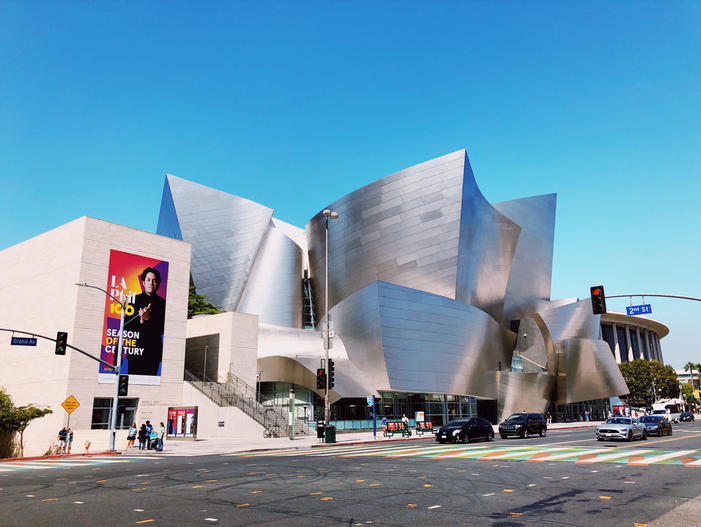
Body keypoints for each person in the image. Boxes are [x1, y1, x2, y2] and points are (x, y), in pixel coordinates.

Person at [128, 267, 166, 376]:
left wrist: (148, 319)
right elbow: (127, 326)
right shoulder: (134, 300)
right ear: (143, 282)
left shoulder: (163, 303)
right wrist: (142, 320)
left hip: (153, 351)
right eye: (148, 280)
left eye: (154, 281)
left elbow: (162, 328)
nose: (151, 283)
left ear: (157, 284)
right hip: (135, 351)